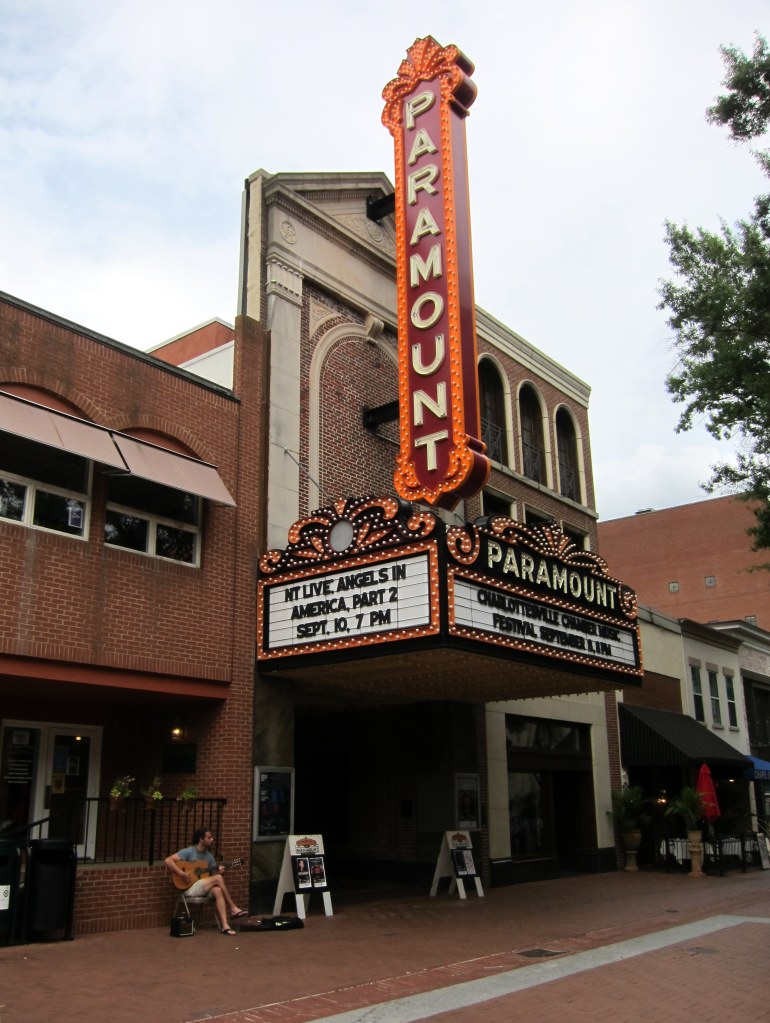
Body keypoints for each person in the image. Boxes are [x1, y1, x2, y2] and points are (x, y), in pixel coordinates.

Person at [165, 826, 246, 935]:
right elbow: (168, 861)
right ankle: (232, 907)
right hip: (189, 888)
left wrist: (220, 872)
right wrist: (181, 873)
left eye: (211, 837)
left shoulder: (209, 857)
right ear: (201, 839)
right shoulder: (189, 851)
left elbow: (214, 877)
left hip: (203, 887)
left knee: (217, 890)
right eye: (209, 837)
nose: (212, 839)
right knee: (218, 879)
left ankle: (225, 926)